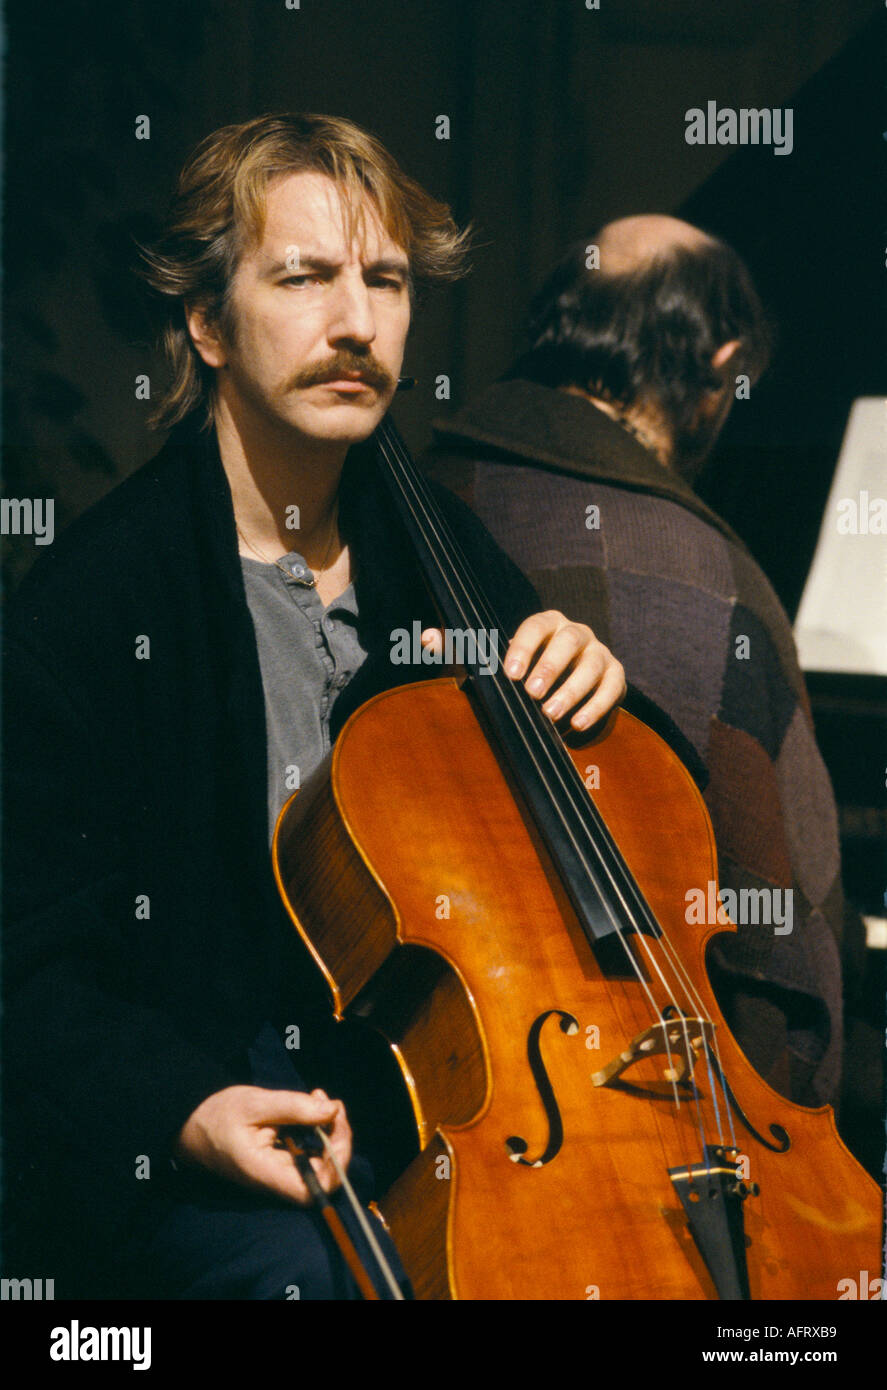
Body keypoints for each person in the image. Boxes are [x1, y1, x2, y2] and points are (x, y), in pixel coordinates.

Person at [1, 114, 627, 1300]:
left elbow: (587, 860)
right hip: (202, 1097)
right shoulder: (93, 602)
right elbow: (26, 963)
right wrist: (185, 1111)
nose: (355, 323)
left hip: (430, 1084)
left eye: (384, 281)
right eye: (302, 278)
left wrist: (593, 694)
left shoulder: (444, 551)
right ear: (205, 323)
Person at [423, 215, 846, 1112]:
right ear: (720, 364)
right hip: (655, 1107)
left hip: (427, 1079)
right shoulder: (707, 574)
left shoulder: (407, 496)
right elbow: (785, 942)